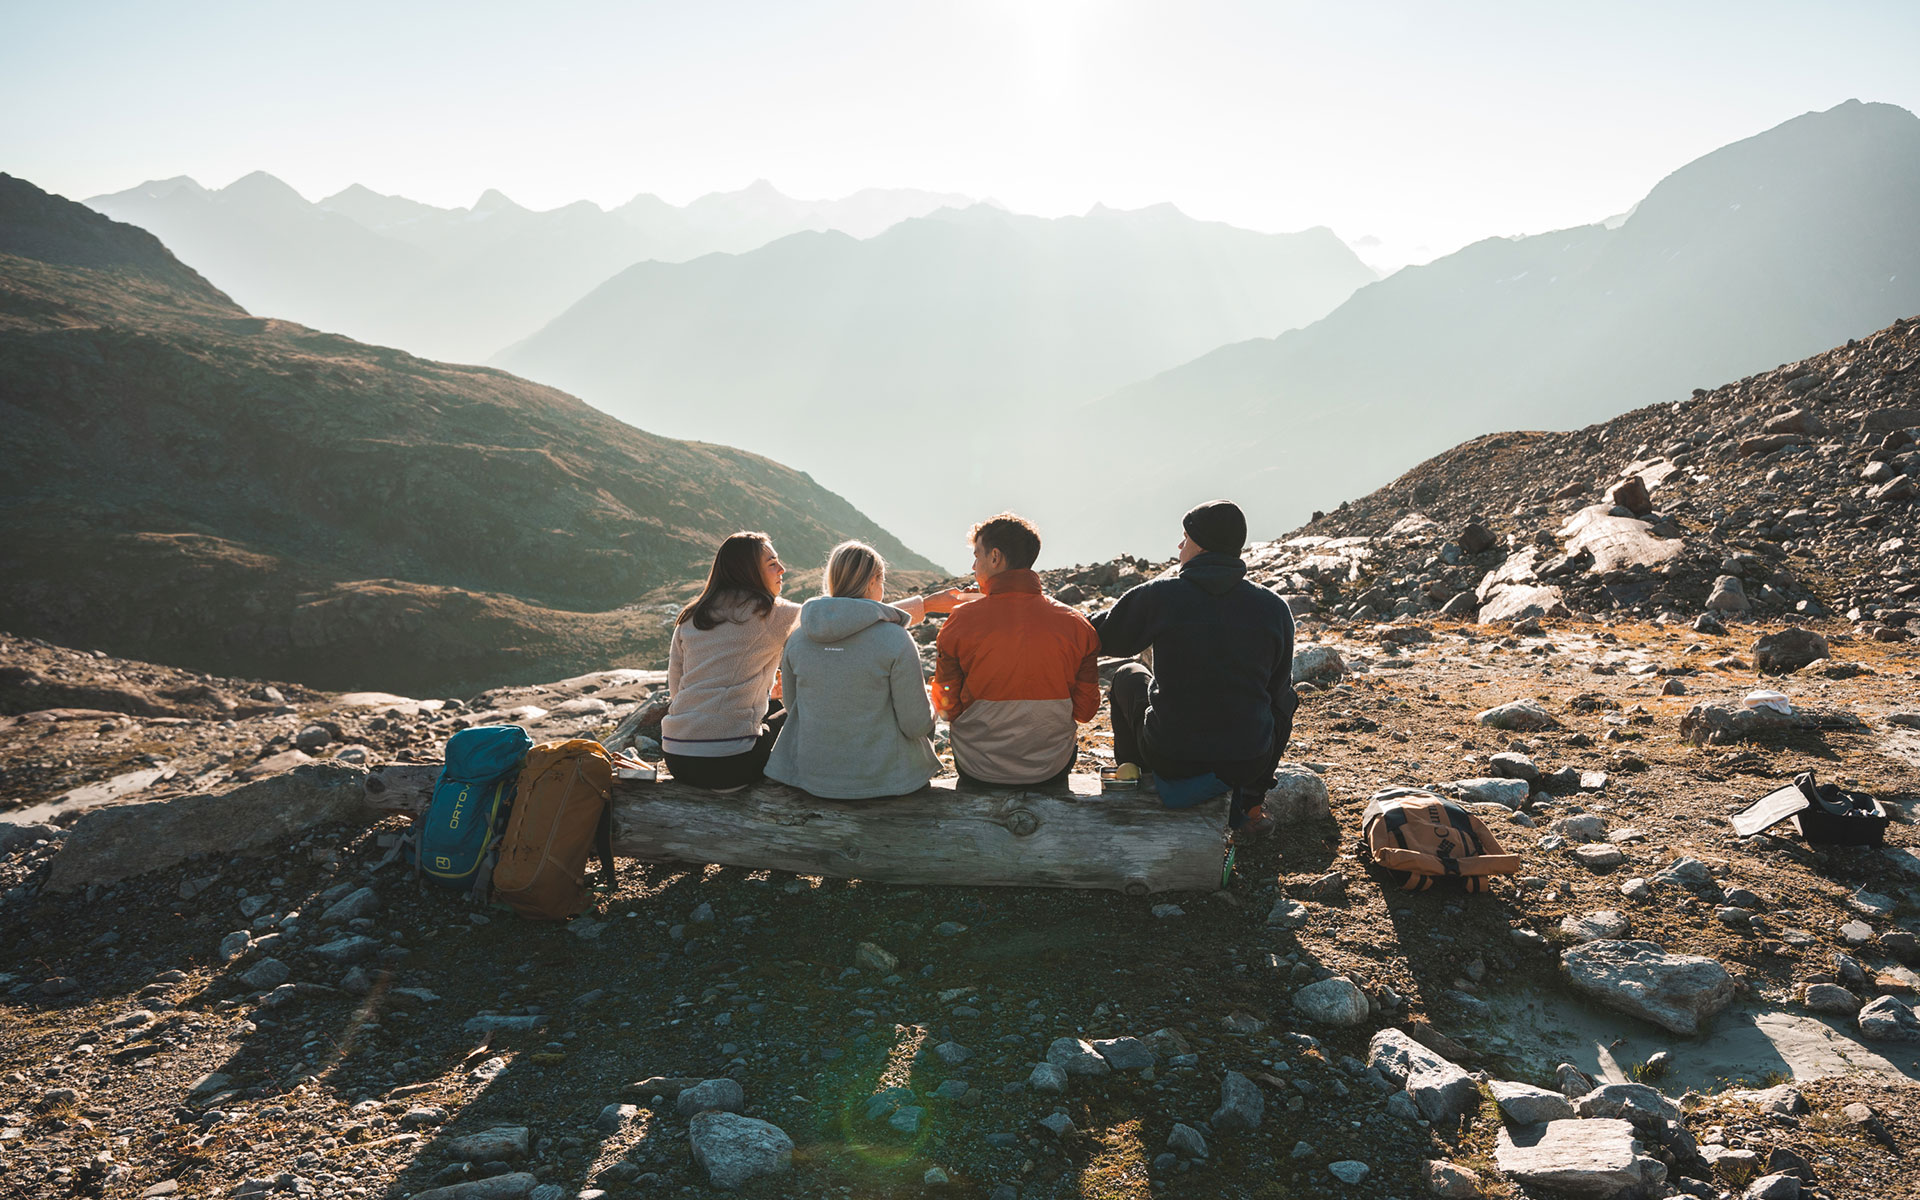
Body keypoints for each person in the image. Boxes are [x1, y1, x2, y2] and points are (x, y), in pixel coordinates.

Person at [1089, 500, 1297, 839]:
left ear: (1200, 543)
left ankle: (1135, 783)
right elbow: (1278, 692)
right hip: (1245, 761)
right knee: (1285, 700)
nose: (1179, 545)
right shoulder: (1273, 607)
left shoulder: (1162, 595)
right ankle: (1252, 805)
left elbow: (1103, 636)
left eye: (1184, 537)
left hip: (1171, 755)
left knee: (1128, 676)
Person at [765, 541, 968, 799]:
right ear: (873, 582)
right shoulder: (895, 639)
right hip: (884, 782)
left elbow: (795, 709)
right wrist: (933, 701)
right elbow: (915, 725)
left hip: (812, 778)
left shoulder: (798, 639)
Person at [931, 513, 1100, 787]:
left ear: (995, 557)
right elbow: (1085, 712)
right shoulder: (1076, 624)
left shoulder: (961, 620)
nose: (974, 566)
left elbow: (946, 710)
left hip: (979, 768)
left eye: (977, 556)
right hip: (1050, 767)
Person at [660, 532, 800, 789]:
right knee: (796, 713)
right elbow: (833, 620)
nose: (782, 569)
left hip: (676, 757)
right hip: (731, 764)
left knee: (770, 708)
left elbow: (677, 689)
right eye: (772, 564)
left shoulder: (691, 616)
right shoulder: (772, 612)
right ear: (749, 572)